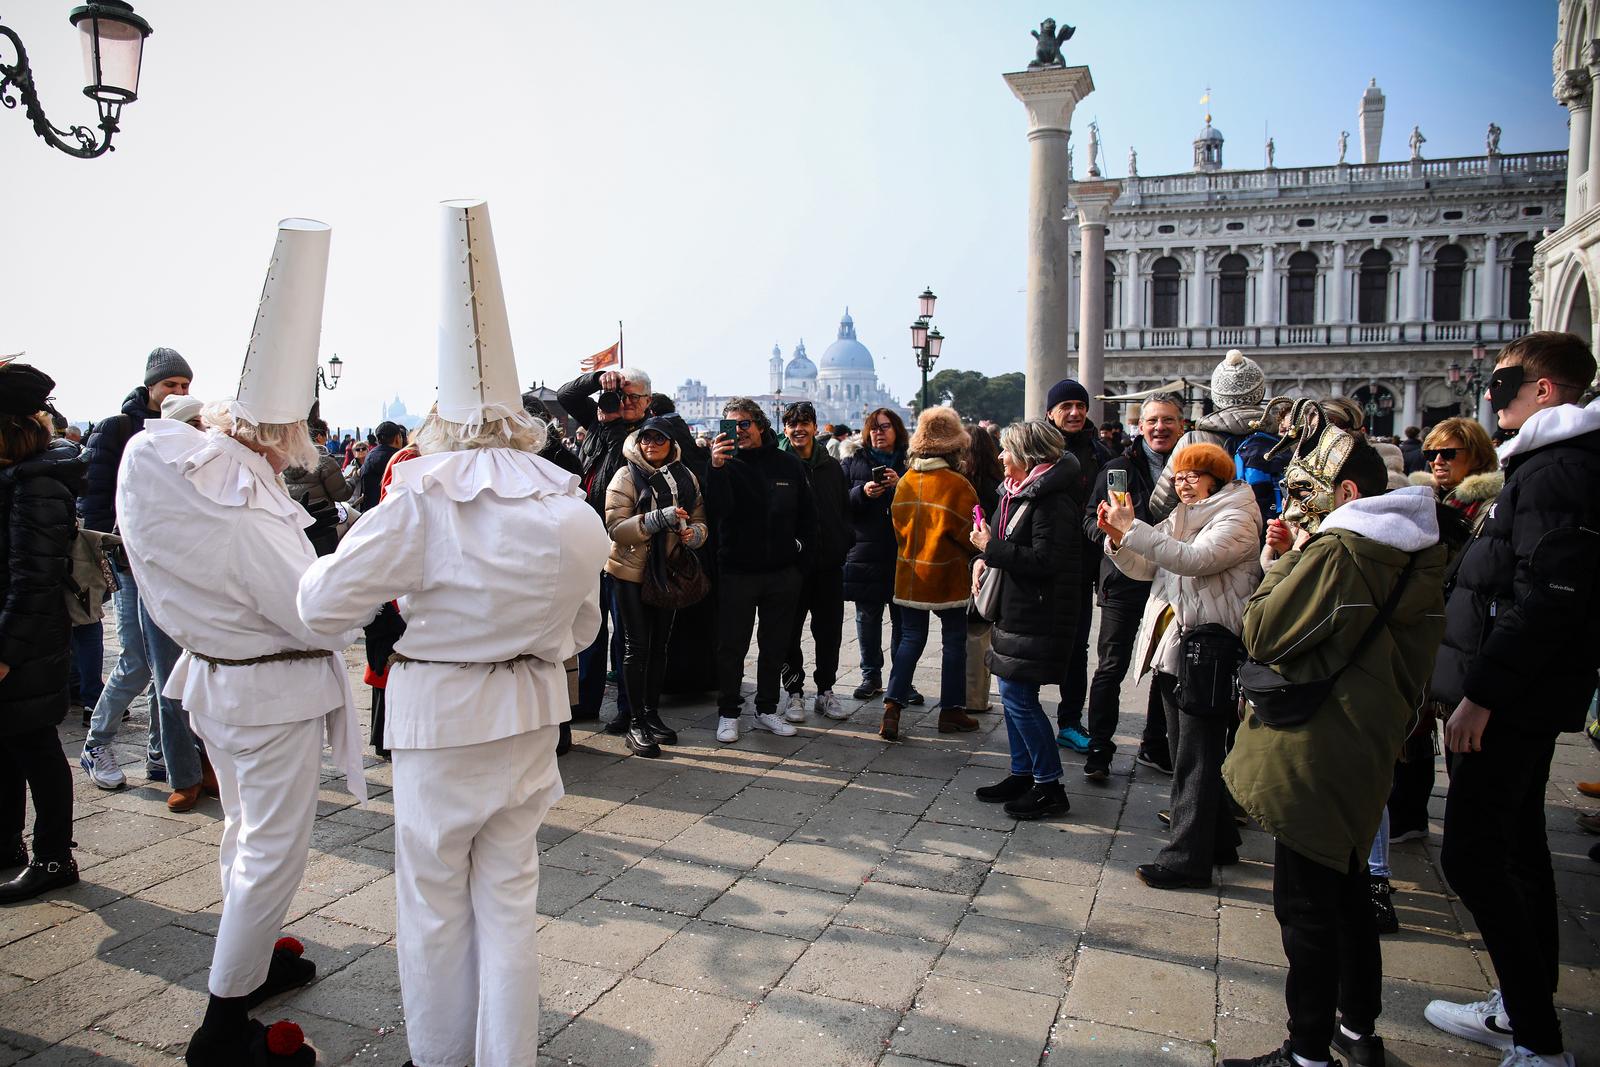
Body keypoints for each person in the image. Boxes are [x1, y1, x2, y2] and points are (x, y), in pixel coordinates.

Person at [300, 202, 603, 1067]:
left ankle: (437, 1057)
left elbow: (321, 604)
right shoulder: (567, 506)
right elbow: (581, 627)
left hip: (442, 720)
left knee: (434, 903)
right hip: (531, 716)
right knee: (508, 901)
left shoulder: (422, 500)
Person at [117, 219, 359, 1067]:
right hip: (268, 695)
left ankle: (251, 961)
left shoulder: (189, 475)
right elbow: (313, 612)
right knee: (271, 844)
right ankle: (223, 1027)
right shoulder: (244, 510)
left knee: (245, 828)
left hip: (224, 685)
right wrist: (361, 575)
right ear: (273, 433)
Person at [1220, 404, 1448, 1067]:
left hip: (1316, 747)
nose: (1293, 506)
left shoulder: (1343, 549)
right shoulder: (1413, 546)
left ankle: (1306, 1051)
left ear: (1348, 493)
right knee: (1348, 890)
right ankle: (1357, 1031)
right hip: (1367, 737)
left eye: (1303, 493)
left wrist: (1279, 561)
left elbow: (1261, 628)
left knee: (1306, 904)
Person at [1425, 332, 1600, 1067]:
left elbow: (1546, 598)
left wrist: (1481, 696)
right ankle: (1518, 1008)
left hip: (1505, 701)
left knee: (1472, 856)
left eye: (1502, 384)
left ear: (1545, 390)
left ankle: (1537, 1038)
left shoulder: (1556, 469)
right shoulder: (1546, 464)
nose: (1489, 395)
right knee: (1521, 850)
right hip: (1514, 695)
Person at [1101, 443, 1261, 888]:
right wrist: (1119, 539)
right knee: (1186, 750)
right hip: (1177, 645)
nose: (1184, 482)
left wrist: (1134, 528)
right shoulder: (1181, 516)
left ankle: (1186, 858)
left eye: (1194, 474)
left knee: (1196, 755)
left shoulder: (1236, 515)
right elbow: (1148, 566)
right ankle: (1219, 840)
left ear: (1217, 478)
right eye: (1179, 475)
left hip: (1209, 646)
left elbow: (1194, 560)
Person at [78, 349, 202, 802]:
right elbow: (94, 493)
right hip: (127, 559)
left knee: (165, 659)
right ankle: (97, 744)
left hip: (165, 563)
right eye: (171, 384)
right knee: (137, 657)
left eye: (186, 386)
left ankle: (158, 753)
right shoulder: (118, 428)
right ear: (151, 386)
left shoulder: (185, 430)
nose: (179, 392)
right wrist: (103, 549)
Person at [0, 363, 87, 904]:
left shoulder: (36, 484)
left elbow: (34, 576)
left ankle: (54, 855)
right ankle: (7, 842)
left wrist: (6, 649)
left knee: (35, 745)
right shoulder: (21, 477)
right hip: (15, 630)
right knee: (7, 742)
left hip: (22, 637)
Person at [970, 419, 1079, 819]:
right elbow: (1001, 545)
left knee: (1019, 699)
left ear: (1029, 456)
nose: (999, 456)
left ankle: (1049, 784)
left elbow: (1045, 560)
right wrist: (984, 557)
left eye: (1007, 450)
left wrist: (989, 547)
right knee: (1013, 697)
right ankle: (1023, 772)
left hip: (1038, 612)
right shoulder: (1015, 493)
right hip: (1015, 609)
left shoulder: (1052, 500)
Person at [1082, 392, 1184, 780]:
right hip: (1123, 579)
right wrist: (1110, 536)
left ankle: (1154, 744)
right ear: (1139, 427)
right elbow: (1089, 519)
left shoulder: (1192, 468)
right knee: (1111, 665)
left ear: (1182, 425)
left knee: (1168, 666)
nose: (1160, 427)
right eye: (1153, 420)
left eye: (1168, 420)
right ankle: (1099, 748)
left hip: (1173, 578)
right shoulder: (1116, 468)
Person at [705, 398, 815, 743]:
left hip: (781, 571)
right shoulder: (724, 464)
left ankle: (767, 708)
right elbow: (716, 511)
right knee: (731, 645)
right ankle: (728, 711)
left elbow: (807, 515)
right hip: (737, 570)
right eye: (732, 426)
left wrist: (799, 553)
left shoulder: (787, 464)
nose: (738, 432)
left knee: (775, 644)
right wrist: (717, 469)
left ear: (761, 426)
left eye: (744, 425)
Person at [604, 417, 708, 756]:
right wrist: (656, 519)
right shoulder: (626, 475)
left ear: (670, 443)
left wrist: (694, 535)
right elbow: (616, 528)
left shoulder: (685, 475)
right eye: (646, 438)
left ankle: (650, 713)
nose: (651, 445)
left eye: (658, 439)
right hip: (631, 571)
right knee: (636, 646)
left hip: (668, 571)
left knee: (661, 646)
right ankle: (635, 721)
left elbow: (699, 519)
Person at [558, 365, 652, 731]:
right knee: (588, 626)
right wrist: (598, 380)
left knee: (625, 631)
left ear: (646, 402)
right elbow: (567, 395)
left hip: (624, 545)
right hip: (588, 541)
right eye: (619, 394)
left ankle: (629, 708)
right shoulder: (599, 423)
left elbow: (622, 469)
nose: (622, 402)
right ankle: (585, 700)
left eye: (631, 397)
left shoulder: (648, 435)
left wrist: (613, 424)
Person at [885, 406, 979, 741]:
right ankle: (951, 711)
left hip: (910, 572)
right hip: (948, 575)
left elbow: (897, 528)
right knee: (954, 642)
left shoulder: (906, 481)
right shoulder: (957, 484)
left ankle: (893, 707)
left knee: (910, 639)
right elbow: (971, 534)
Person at [1044, 378, 1109, 752]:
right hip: (1041, 562)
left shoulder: (1100, 454)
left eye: (1079, 406)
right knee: (1032, 641)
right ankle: (1026, 712)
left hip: (1083, 564)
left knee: (1077, 646)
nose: (1073, 412)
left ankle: (1069, 720)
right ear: (1051, 412)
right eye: (1065, 406)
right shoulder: (1037, 450)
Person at [842, 408, 922, 706]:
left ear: (896, 430)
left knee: (904, 620)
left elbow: (924, 500)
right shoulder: (852, 461)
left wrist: (901, 483)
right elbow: (840, 500)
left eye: (885, 427)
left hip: (905, 550)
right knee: (867, 617)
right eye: (873, 427)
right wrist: (863, 491)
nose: (879, 432)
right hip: (866, 550)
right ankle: (870, 675)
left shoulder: (913, 463)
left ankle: (902, 680)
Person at [777, 401, 851, 722]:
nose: (798, 429)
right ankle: (794, 693)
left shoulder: (832, 467)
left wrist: (842, 544)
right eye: (792, 423)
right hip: (791, 567)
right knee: (788, 633)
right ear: (785, 429)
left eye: (804, 423)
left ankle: (826, 690)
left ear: (816, 427)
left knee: (829, 631)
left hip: (828, 565)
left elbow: (842, 510)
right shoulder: (778, 466)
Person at [1149, 348, 1268, 523]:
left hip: (1206, 540)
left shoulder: (1193, 441)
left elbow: (1161, 505)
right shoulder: (1283, 440)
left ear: (1216, 396)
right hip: (1269, 539)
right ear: (1260, 394)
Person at [961, 424, 1004, 713]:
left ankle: (959, 694)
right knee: (979, 632)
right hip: (985, 561)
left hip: (959, 560)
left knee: (961, 633)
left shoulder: (958, 482)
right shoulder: (997, 485)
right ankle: (975, 698)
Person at [283, 418, 353, 557]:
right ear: (320, 436)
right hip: (324, 523)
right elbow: (341, 494)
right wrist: (353, 480)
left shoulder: (286, 460)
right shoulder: (325, 460)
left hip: (297, 523)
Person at [357, 421, 406, 513]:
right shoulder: (397, 458)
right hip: (390, 511)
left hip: (370, 511)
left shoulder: (370, 455)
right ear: (397, 438)